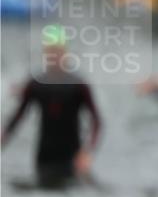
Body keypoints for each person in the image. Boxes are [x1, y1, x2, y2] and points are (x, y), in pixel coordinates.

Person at [1, 40, 102, 189]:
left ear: (66, 56)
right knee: (42, 190)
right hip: (45, 154)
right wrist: (4, 137)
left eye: (58, 55)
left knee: (76, 191)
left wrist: (86, 152)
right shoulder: (36, 84)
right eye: (51, 55)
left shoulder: (78, 85)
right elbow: (18, 117)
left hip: (72, 154)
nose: (55, 59)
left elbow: (96, 120)